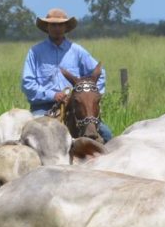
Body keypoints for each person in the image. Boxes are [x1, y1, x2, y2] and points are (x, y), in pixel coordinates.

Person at [22, 7, 113, 141]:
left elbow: (100, 74)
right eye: (53, 25)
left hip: (76, 107)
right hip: (43, 107)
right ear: (47, 27)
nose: (57, 28)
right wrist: (53, 95)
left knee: (106, 135)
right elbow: (27, 83)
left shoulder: (77, 51)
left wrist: (88, 95)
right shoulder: (35, 52)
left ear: (66, 27)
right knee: (34, 136)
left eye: (60, 25)